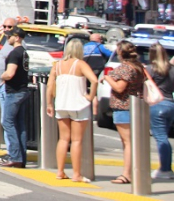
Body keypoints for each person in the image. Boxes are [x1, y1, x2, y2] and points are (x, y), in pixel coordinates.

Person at [46, 38, 98, 182]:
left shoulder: (57, 65)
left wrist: (49, 103)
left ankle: (60, 171)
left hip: (61, 104)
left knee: (63, 139)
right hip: (78, 105)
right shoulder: (80, 64)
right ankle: (76, 174)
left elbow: (50, 85)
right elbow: (94, 80)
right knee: (76, 141)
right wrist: (90, 96)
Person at [105, 39, 146, 185]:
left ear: (121, 53)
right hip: (134, 106)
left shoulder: (126, 68)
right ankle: (134, 171)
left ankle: (127, 174)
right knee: (131, 142)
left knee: (127, 143)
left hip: (123, 106)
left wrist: (107, 78)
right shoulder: (138, 67)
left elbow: (119, 88)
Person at [0, 28, 30, 168]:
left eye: (10, 36)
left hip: (14, 92)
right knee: (20, 125)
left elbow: (10, 73)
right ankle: (21, 157)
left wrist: (2, 76)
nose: (8, 38)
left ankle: (15, 156)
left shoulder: (14, 53)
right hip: (23, 90)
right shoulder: (24, 53)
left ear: (17, 37)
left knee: (8, 123)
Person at [147, 42, 174, 180]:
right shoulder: (172, 69)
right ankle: (166, 167)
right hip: (170, 104)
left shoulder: (150, 69)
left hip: (156, 104)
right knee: (164, 137)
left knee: (161, 138)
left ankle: (165, 169)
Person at [0, 17, 18, 161]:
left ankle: (13, 154)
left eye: (10, 27)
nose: (6, 29)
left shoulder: (16, 45)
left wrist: (5, 80)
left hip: (8, 87)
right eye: (5, 26)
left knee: (8, 121)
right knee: (6, 120)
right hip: (3, 86)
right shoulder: (7, 42)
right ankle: (12, 151)